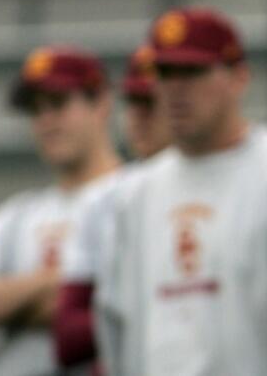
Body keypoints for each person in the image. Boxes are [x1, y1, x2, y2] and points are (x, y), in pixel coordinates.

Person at [98, 7, 267, 375]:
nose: (176, 88)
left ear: (239, 76)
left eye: (194, 71)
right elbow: (119, 330)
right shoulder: (135, 196)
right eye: (165, 73)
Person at [0, 46, 121, 376]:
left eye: (59, 104)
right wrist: (61, 283)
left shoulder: (134, 194)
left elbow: (135, 299)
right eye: (35, 110)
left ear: (102, 103)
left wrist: (9, 305)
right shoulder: (19, 213)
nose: (46, 121)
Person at [53, 43, 171, 370]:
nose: (139, 116)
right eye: (132, 102)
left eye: (151, 102)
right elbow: (68, 337)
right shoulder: (106, 200)